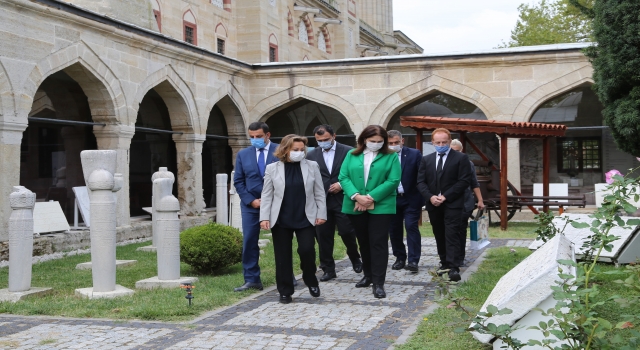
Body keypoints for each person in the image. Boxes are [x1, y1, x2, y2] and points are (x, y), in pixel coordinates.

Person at [260, 134, 327, 304]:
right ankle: (285, 291)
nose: (299, 152)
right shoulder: (272, 168)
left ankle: (310, 278)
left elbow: (319, 192)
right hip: (281, 218)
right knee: (282, 257)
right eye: (295, 150)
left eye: (301, 149)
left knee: (307, 250)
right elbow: (267, 195)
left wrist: (321, 214)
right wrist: (264, 217)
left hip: (305, 216)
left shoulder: (312, 166)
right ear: (285, 150)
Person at [339, 125, 401, 298]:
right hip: (355, 203)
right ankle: (368, 275)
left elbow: (394, 180)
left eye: (380, 141)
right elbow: (343, 177)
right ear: (364, 140)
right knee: (363, 241)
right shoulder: (351, 155)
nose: (376, 144)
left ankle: (379, 282)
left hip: (381, 205)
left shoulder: (391, 156)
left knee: (378, 242)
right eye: (372, 141)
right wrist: (357, 196)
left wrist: (370, 198)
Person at [306, 125, 362, 281]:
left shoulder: (348, 151)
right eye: (319, 140)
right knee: (323, 235)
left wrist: (341, 184)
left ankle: (355, 257)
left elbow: (356, 173)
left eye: (326, 139)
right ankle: (328, 268)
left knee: (346, 231)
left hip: (343, 198)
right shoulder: (311, 155)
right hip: (321, 201)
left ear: (334, 136)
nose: (323, 142)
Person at [416, 128, 471, 282]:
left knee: (452, 233)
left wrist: (446, 196)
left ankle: (454, 267)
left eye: (444, 142)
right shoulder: (426, 160)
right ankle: (444, 262)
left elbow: (464, 181)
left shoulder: (461, 158)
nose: (441, 144)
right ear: (432, 143)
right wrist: (430, 196)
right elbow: (420, 182)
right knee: (439, 233)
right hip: (433, 204)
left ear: (449, 141)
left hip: (452, 203)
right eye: (438, 142)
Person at [233, 122, 278, 292]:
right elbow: (238, 180)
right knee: (249, 240)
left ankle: (286, 275)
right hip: (251, 205)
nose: (255, 140)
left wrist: (271, 200)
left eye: (258, 136)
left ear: (268, 135)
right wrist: (251, 200)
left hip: (277, 204)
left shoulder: (280, 150)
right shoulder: (243, 154)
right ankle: (251, 279)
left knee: (282, 241)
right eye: (251, 137)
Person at [387, 130, 423, 272]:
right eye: (390, 143)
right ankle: (400, 257)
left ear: (402, 141)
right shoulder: (384, 156)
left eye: (396, 142)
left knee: (411, 227)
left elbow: (421, 176)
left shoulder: (414, 154)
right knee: (394, 230)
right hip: (391, 199)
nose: (394, 145)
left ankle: (413, 260)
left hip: (411, 198)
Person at [450, 139, 485, 264]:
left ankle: (459, 257)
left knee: (460, 229)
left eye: (457, 151)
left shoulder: (468, 164)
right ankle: (449, 257)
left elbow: (474, 182)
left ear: (462, 151)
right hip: (449, 202)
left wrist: (480, 200)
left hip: (464, 202)